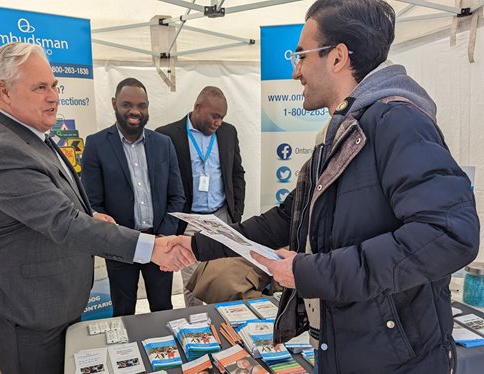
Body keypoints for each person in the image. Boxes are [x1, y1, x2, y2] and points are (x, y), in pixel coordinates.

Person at [169, 0, 480, 372]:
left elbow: (449, 235)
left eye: (301, 56)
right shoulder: (341, 133)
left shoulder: (397, 121)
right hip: (349, 344)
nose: (295, 70)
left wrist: (309, 272)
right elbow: (288, 217)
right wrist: (196, 244)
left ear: (337, 58)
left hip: (396, 359)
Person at [0, 42, 193, 374]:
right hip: (27, 311)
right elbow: (64, 222)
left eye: (54, 85)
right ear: (4, 91)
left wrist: (91, 216)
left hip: (48, 303)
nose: (53, 95)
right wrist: (151, 247)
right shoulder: (3, 150)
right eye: (40, 87)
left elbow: (53, 205)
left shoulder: (29, 134)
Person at [81, 78, 185, 316]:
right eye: (127, 104)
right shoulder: (96, 145)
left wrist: (163, 236)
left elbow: (177, 196)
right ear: (114, 103)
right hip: (121, 244)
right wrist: (108, 228)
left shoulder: (163, 144)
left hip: (159, 241)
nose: (135, 111)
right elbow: (92, 202)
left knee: (163, 309)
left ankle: (163, 350)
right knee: (123, 310)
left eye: (142, 105)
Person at [157, 86, 265, 307]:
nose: (218, 122)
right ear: (198, 108)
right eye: (214, 116)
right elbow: (160, 184)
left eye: (222, 118)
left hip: (221, 219)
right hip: (188, 221)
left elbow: (237, 174)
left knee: (224, 276)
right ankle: (198, 328)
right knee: (193, 282)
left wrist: (236, 214)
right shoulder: (167, 135)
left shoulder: (228, 132)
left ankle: (225, 324)